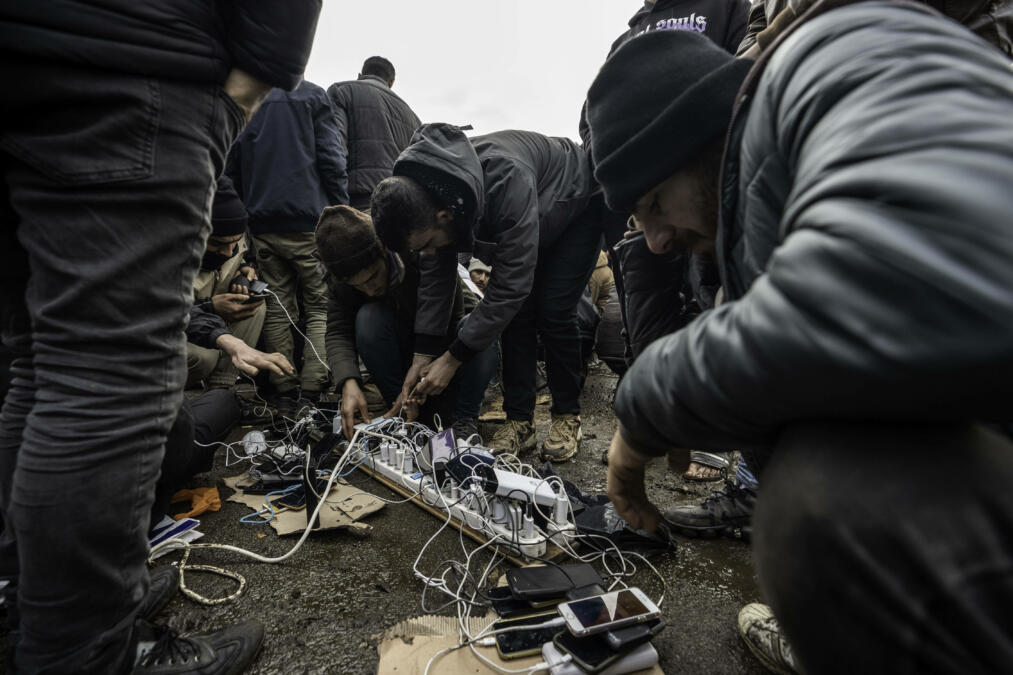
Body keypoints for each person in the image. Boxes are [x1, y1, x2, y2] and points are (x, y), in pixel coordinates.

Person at [588, 7, 1013, 673]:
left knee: (827, 506)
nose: (655, 240)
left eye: (653, 205)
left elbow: (905, 288)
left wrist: (640, 417)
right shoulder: (747, 210)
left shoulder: (835, 60)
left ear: (693, 138)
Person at [0, 1, 321, 672]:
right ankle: (88, 649)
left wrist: (227, 333)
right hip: (130, 61)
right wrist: (251, 84)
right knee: (106, 383)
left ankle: (33, 599)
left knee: (40, 365)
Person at [371, 123, 600, 462]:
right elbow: (437, 279)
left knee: (553, 309)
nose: (430, 253)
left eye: (429, 244)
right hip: (532, 214)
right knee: (517, 318)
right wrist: (423, 354)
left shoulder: (506, 178)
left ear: (445, 216)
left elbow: (511, 286)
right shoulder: (428, 200)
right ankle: (520, 421)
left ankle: (567, 415)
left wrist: (452, 359)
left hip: (576, 207)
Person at [315, 205, 496, 441]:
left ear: (384, 252)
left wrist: (426, 374)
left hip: (450, 353)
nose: (369, 290)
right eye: (358, 285)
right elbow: (338, 330)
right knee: (369, 319)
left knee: (477, 325)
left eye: (372, 277)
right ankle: (404, 411)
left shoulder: (420, 246)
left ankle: (464, 420)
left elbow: (449, 317)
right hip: (407, 354)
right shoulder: (343, 276)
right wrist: (348, 382)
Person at [226, 80, 347, 412]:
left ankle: (283, 389)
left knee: (279, 307)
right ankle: (311, 390)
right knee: (321, 306)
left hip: (262, 222)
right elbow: (331, 156)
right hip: (308, 220)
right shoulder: (310, 95)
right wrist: (340, 207)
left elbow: (232, 165)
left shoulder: (247, 96)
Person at [187, 176, 266, 390]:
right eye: (218, 244)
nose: (228, 252)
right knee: (204, 358)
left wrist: (244, 271)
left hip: (212, 325)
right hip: (177, 332)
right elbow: (160, 313)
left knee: (254, 307)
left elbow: (243, 253)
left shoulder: (234, 238)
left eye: (234, 242)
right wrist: (210, 306)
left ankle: (222, 389)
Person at [327, 56, 422, 212]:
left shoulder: (343, 91)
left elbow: (334, 150)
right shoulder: (414, 118)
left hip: (356, 206)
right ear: (391, 83)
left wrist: (336, 204)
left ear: (360, 74)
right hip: (399, 213)